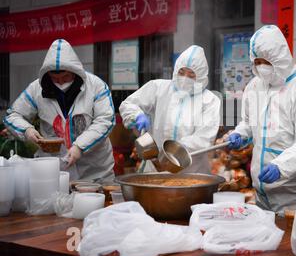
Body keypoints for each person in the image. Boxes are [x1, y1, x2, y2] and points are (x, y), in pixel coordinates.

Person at [226, 25, 296, 214]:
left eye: (265, 61)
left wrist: (281, 166)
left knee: (290, 242)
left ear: (279, 57)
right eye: (256, 61)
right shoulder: (255, 87)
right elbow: (249, 122)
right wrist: (241, 133)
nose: (260, 67)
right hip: (262, 192)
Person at [3, 39, 115, 181]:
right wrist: (27, 130)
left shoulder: (96, 86)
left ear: (75, 72)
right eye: (55, 78)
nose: (61, 82)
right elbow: (12, 115)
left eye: (65, 76)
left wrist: (80, 147)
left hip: (95, 171)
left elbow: (106, 120)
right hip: (54, 171)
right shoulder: (37, 88)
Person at [119, 45, 220, 174]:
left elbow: (204, 138)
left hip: (191, 172)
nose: (185, 78)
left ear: (201, 76)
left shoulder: (209, 100)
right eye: (181, 72)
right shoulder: (158, 88)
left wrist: (172, 150)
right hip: (155, 168)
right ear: (176, 70)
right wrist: (136, 115)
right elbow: (129, 104)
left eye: (191, 75)